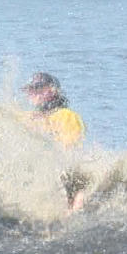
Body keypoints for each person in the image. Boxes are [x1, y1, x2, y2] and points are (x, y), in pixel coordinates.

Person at [22, 72, 89, 209]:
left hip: (62, 174)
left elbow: (70, 149)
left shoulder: (67, 115)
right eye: (30, 89)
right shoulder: (30, 117)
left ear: (52, 91)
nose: (33, 93)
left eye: (38, 88)